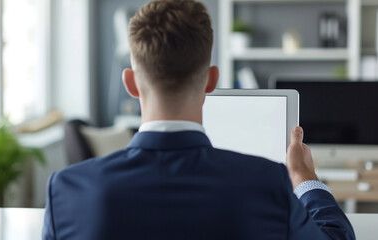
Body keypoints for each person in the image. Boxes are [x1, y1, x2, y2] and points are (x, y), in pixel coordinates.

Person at [43, 0, 355, 239]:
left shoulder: (67, 190)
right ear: (210, 80)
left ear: (131, 83)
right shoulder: (266, 183)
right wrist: (303, 177)